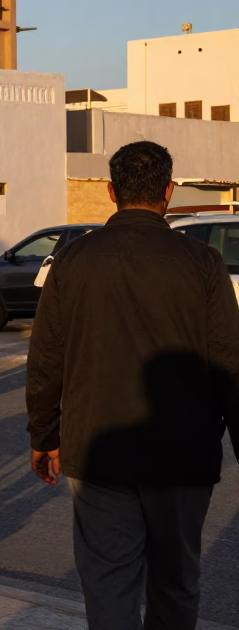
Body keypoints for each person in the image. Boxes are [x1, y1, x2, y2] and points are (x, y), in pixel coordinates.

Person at [27, 141, 239, 630]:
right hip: (183, 455)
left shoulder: (73, 261)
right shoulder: (203, 263)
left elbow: (45, 362)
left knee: (109, 589)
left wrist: (44, 436)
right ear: (168, 191)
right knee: (176, 586)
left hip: (99, 452)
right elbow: (229, 366)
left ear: (110, 191)